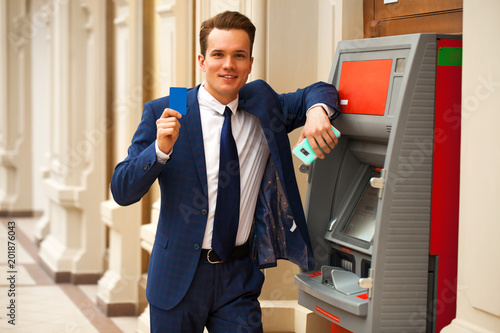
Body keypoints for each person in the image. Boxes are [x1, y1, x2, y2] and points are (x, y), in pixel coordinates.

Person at [111, 10, 340, 333]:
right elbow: (122, 191)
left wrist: (317, 112)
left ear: (249, 62)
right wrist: (159, 151)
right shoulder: (168, 109)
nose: (228, 64)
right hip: (177, 278)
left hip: (238, 279)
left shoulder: (263, 103)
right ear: (202, 60)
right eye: (218, 54)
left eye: (239, 55)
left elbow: (320, 89)